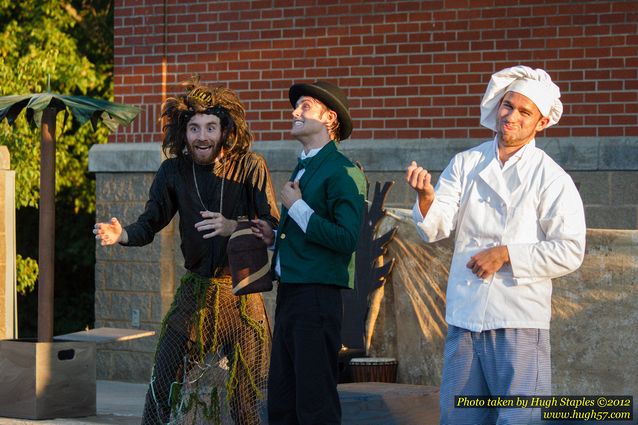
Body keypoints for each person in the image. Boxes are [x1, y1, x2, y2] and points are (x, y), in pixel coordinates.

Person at [406, 66, 586, 425]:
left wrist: (506, 254)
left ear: (542, 123)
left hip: (518, 317)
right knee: (460, 417)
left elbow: (570, 249)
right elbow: (436, 226)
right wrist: (427, 198)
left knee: (519, 418)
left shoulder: (551, 177)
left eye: (525, 112)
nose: (512, 117)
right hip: (466, 315)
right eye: (508, 106)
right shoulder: (466, 162)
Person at [93, 78, 279, 425]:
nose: (202, 136)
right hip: (195, 292)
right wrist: (121, 235)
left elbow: (271, 227)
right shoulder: (173, 171)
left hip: (241, 296)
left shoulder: (251, 166)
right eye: (194, 128)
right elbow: (149, 223)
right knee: (162, 383)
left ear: (225, 129)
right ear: (184, 131)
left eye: (211, 127)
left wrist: (232, 226)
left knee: (249, 398)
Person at [252, 80, 366, 425]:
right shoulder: (305, 164)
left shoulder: (343, 171)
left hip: (317, 298)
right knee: (284, 402)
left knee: (315, 404)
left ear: (329, 117)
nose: (294, 112)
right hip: (290, 295)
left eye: (304, 107)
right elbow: (306, 234)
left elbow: (347, 239)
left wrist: (298, 208)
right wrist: (273, 237)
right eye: (296, 106)